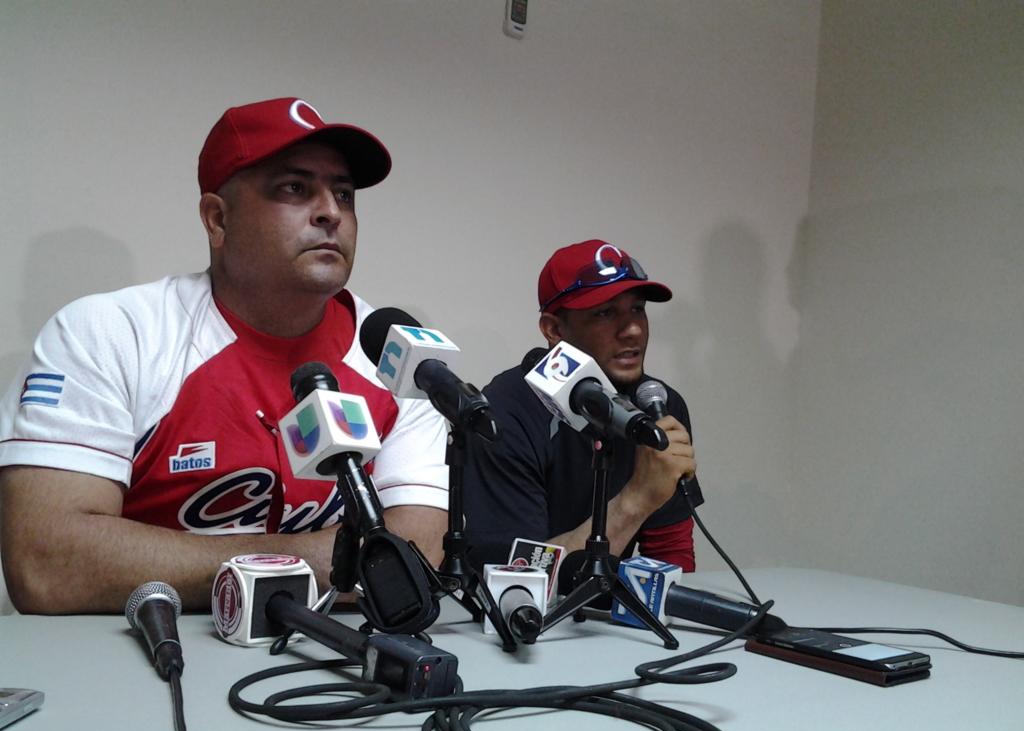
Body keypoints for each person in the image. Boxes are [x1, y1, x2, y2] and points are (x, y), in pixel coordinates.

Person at [0, 97, 449, 614]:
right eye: (294, 188)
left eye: (343, 194)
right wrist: (334, 558)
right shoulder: (110, 333)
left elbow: (421, 551)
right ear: (218, 219)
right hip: (144, 644)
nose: (331, 212)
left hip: (336, 649)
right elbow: (48, 565)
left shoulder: (397, 353)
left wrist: (153, 558)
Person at [463, 239, 698, 573]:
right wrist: (636, 500)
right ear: (554, 329)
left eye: (638, 309)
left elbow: (670, 552)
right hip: (524, 605)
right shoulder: (505, 410)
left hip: (613, 602)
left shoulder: (658, 402)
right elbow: (514, 576)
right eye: (605, 313)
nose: (633, 330)